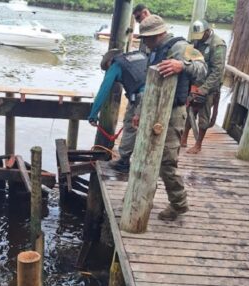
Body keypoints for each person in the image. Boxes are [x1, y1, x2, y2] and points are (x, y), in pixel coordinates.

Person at [135, 15, 207, 220]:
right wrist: (140, 111)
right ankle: (140, 195)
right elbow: (146, 85)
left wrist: (182, 66)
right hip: (152, 110)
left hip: (173, 112)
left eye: (146, 38)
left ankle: (179, 204)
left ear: (157, 35)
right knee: (143, 155)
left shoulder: (180, 47)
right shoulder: (153, 51)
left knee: (167, 161)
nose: (144, 42)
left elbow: (202, 69)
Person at [88, 48, 148, 173]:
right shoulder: (139, 55)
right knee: (147, 129)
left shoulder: (116, 65)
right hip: (157, 93)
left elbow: (103, 90)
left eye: (107, 68)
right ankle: (145, 161)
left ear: (110, 61)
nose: (108, 72)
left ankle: (124, 162)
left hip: (141, 96)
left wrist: (93, 114)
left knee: (130, 126)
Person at [181, 19, 227, 154]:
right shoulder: (196, 42)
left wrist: (204, 89)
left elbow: (217, 71)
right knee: (189, 112)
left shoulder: (218, 45)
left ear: (207, 32)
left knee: (204, 117)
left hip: (209, 88)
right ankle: (183, 138)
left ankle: (198, 144)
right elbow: (189, 59)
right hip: (195, 83)